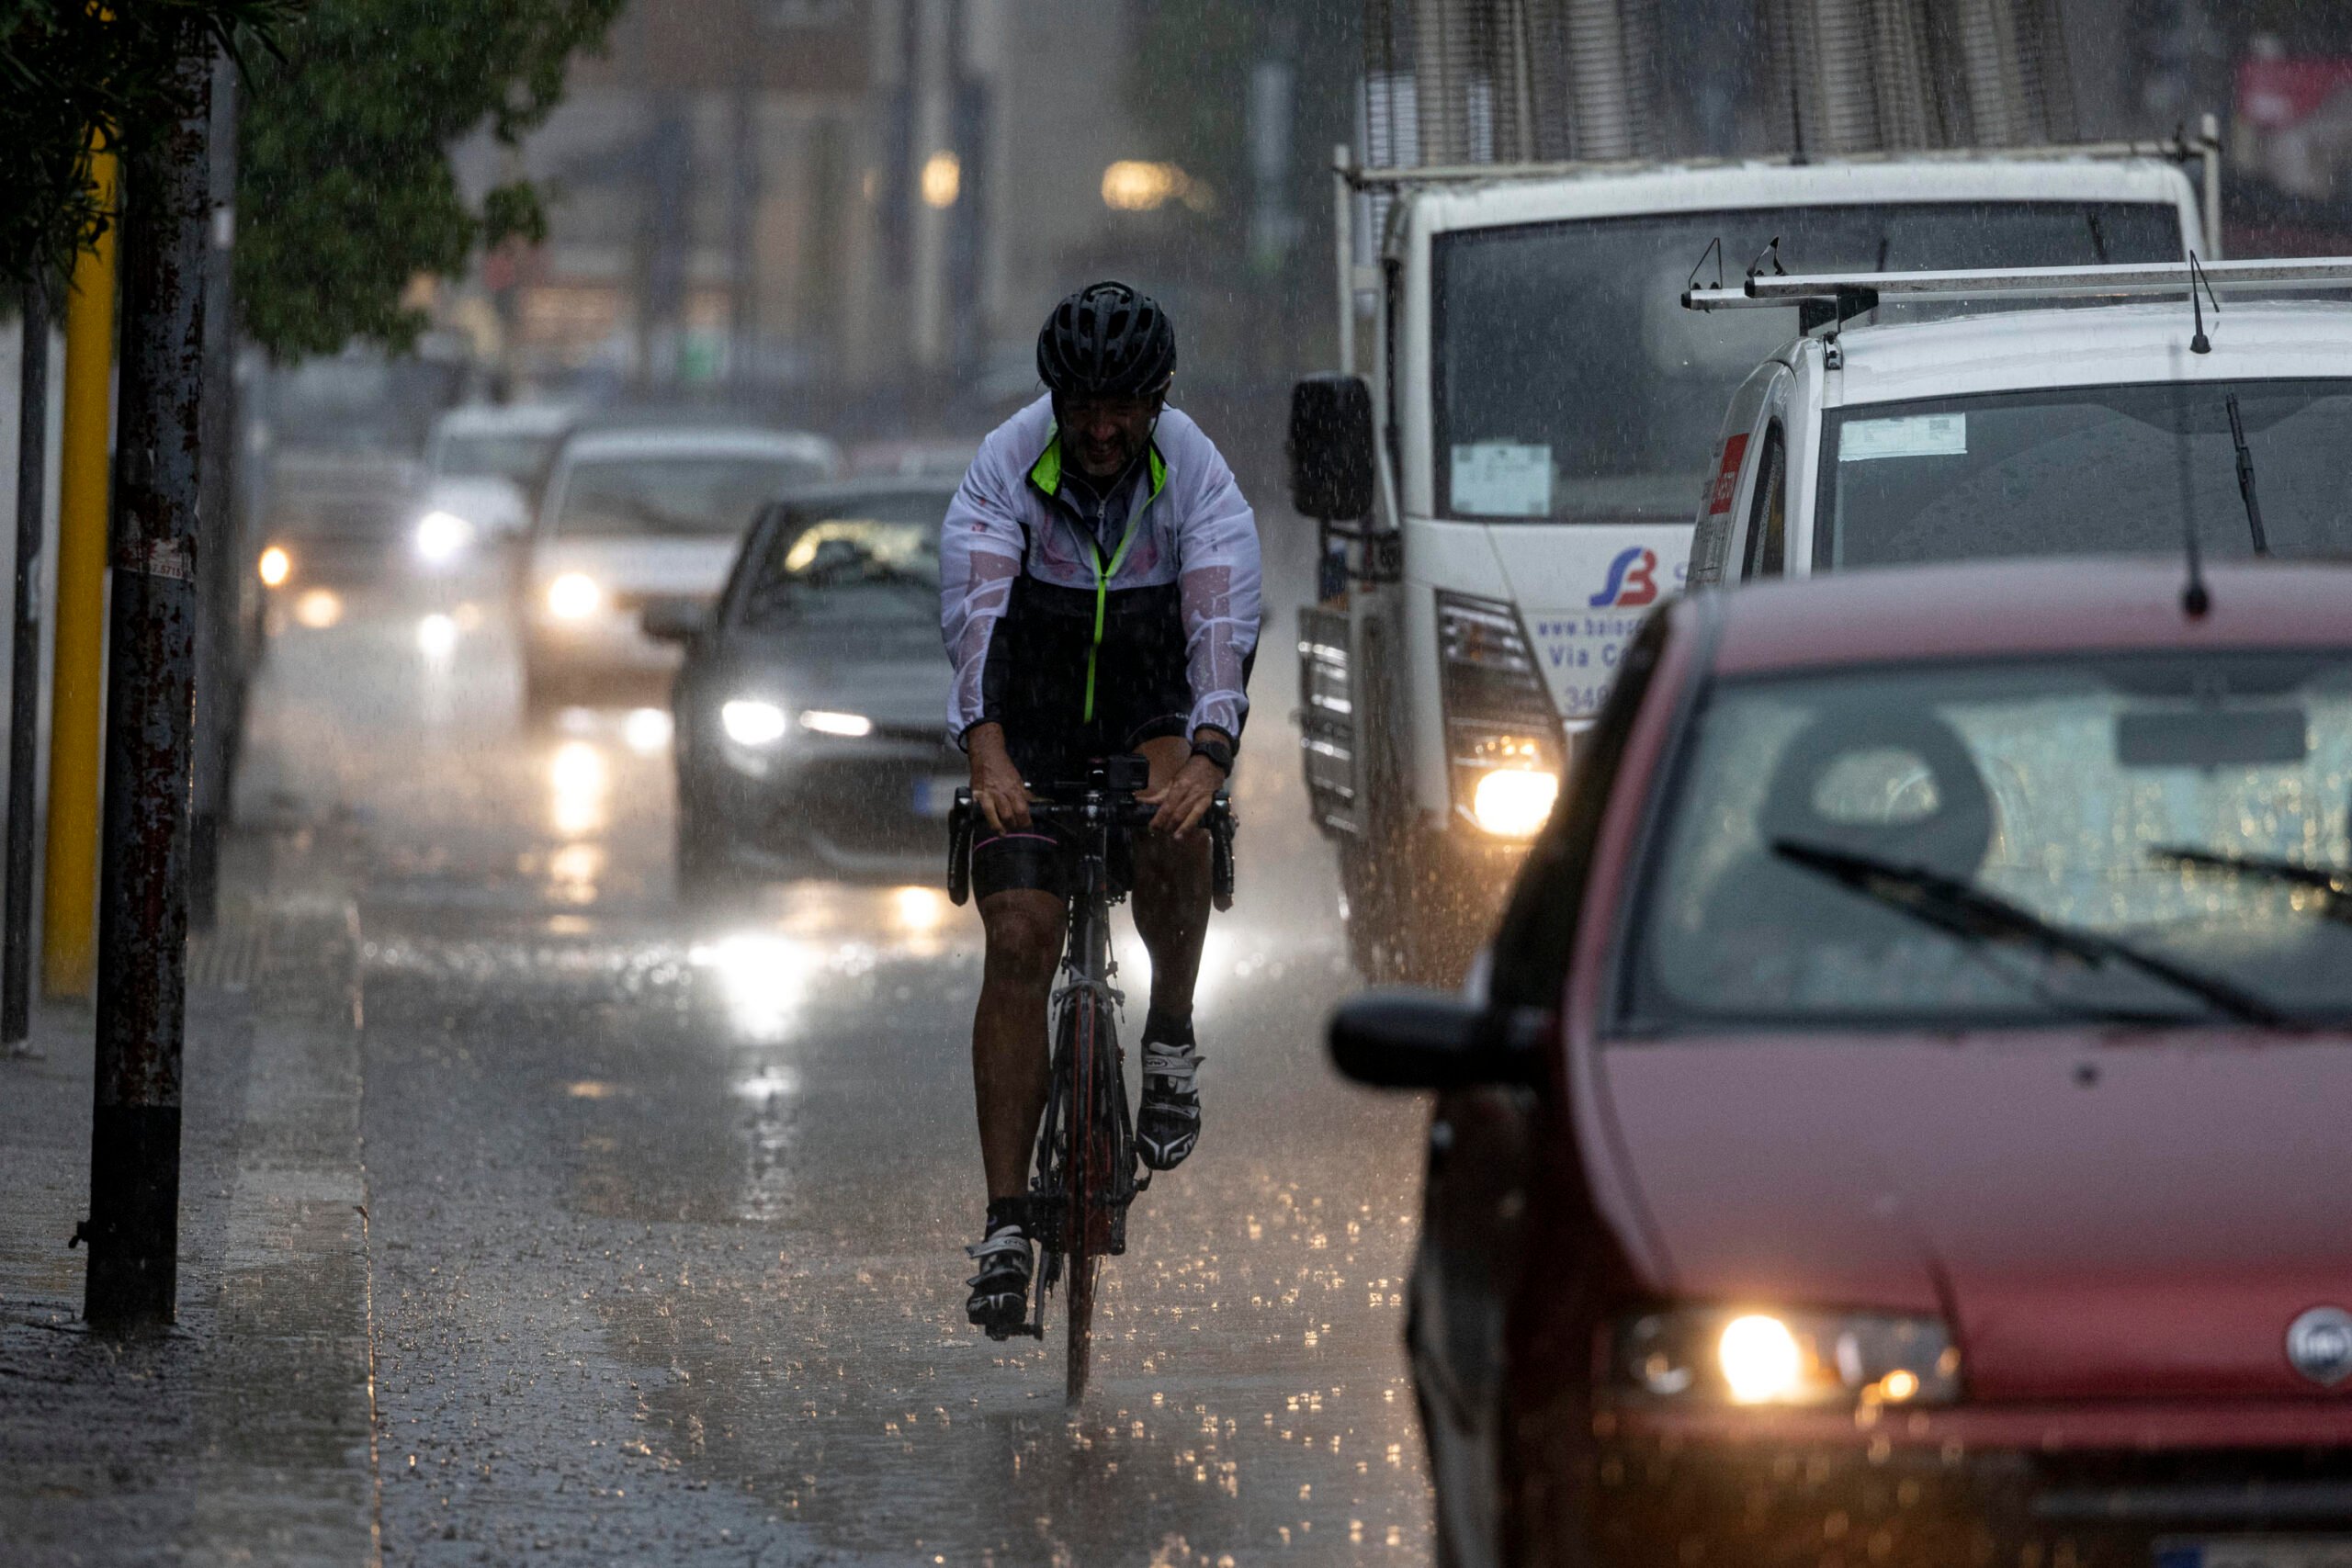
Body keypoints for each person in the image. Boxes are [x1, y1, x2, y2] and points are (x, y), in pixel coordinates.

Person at [939, 281, 1261, 1337]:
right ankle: (1000, 1226)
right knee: (1022, 935)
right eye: (1083, 408)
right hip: (1027, 710)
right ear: (1056, 400)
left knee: (1174, 815)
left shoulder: (1197, 478)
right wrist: (984, 746)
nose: (1104, 429)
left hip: (1148, 701)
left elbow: (1219, 622)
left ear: (1158, 399)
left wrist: (1211, 757)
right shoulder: (1004, 467)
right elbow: (977, 612)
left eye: (1125, 407)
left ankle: (1167, 1037)